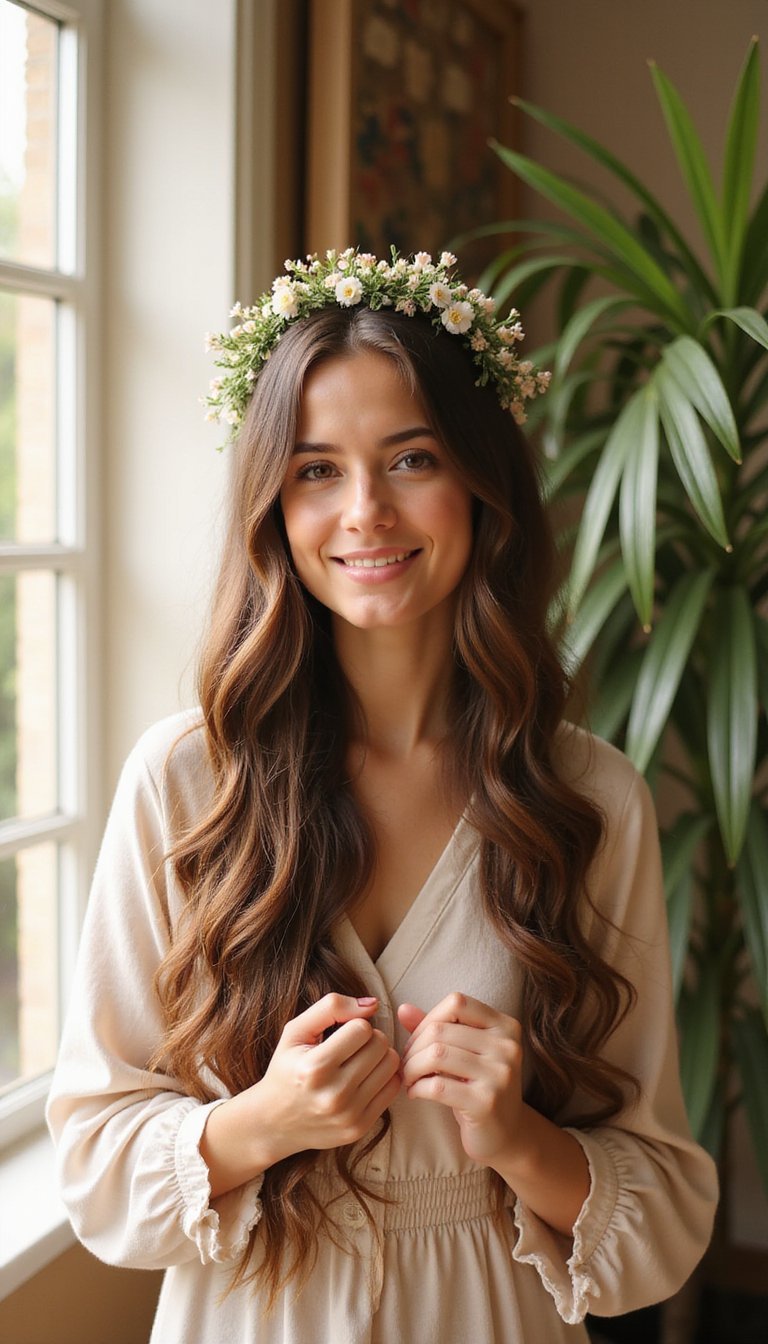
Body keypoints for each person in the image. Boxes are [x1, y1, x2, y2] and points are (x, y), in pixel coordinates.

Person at [47, 248, 718, 1344]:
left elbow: (666, 1227)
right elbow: (93, 1169)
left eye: (411, 457)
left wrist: (516, 1137)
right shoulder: (187, 783)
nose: (365, 511)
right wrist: (262, 1125)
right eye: (316, 469)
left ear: (479, 479)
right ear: (273, 501)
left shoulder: (589, 797)